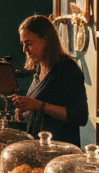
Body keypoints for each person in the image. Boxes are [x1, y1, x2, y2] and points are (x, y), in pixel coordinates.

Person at [9, 14, 89, 146]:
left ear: (45, 40)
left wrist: (39, 105)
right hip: (39, 149)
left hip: (59, 152)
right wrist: (25, 109)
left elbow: (80, 116)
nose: (24, 50)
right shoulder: (40, 67)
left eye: (29, 44)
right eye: (23, 44)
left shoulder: (68, 69)